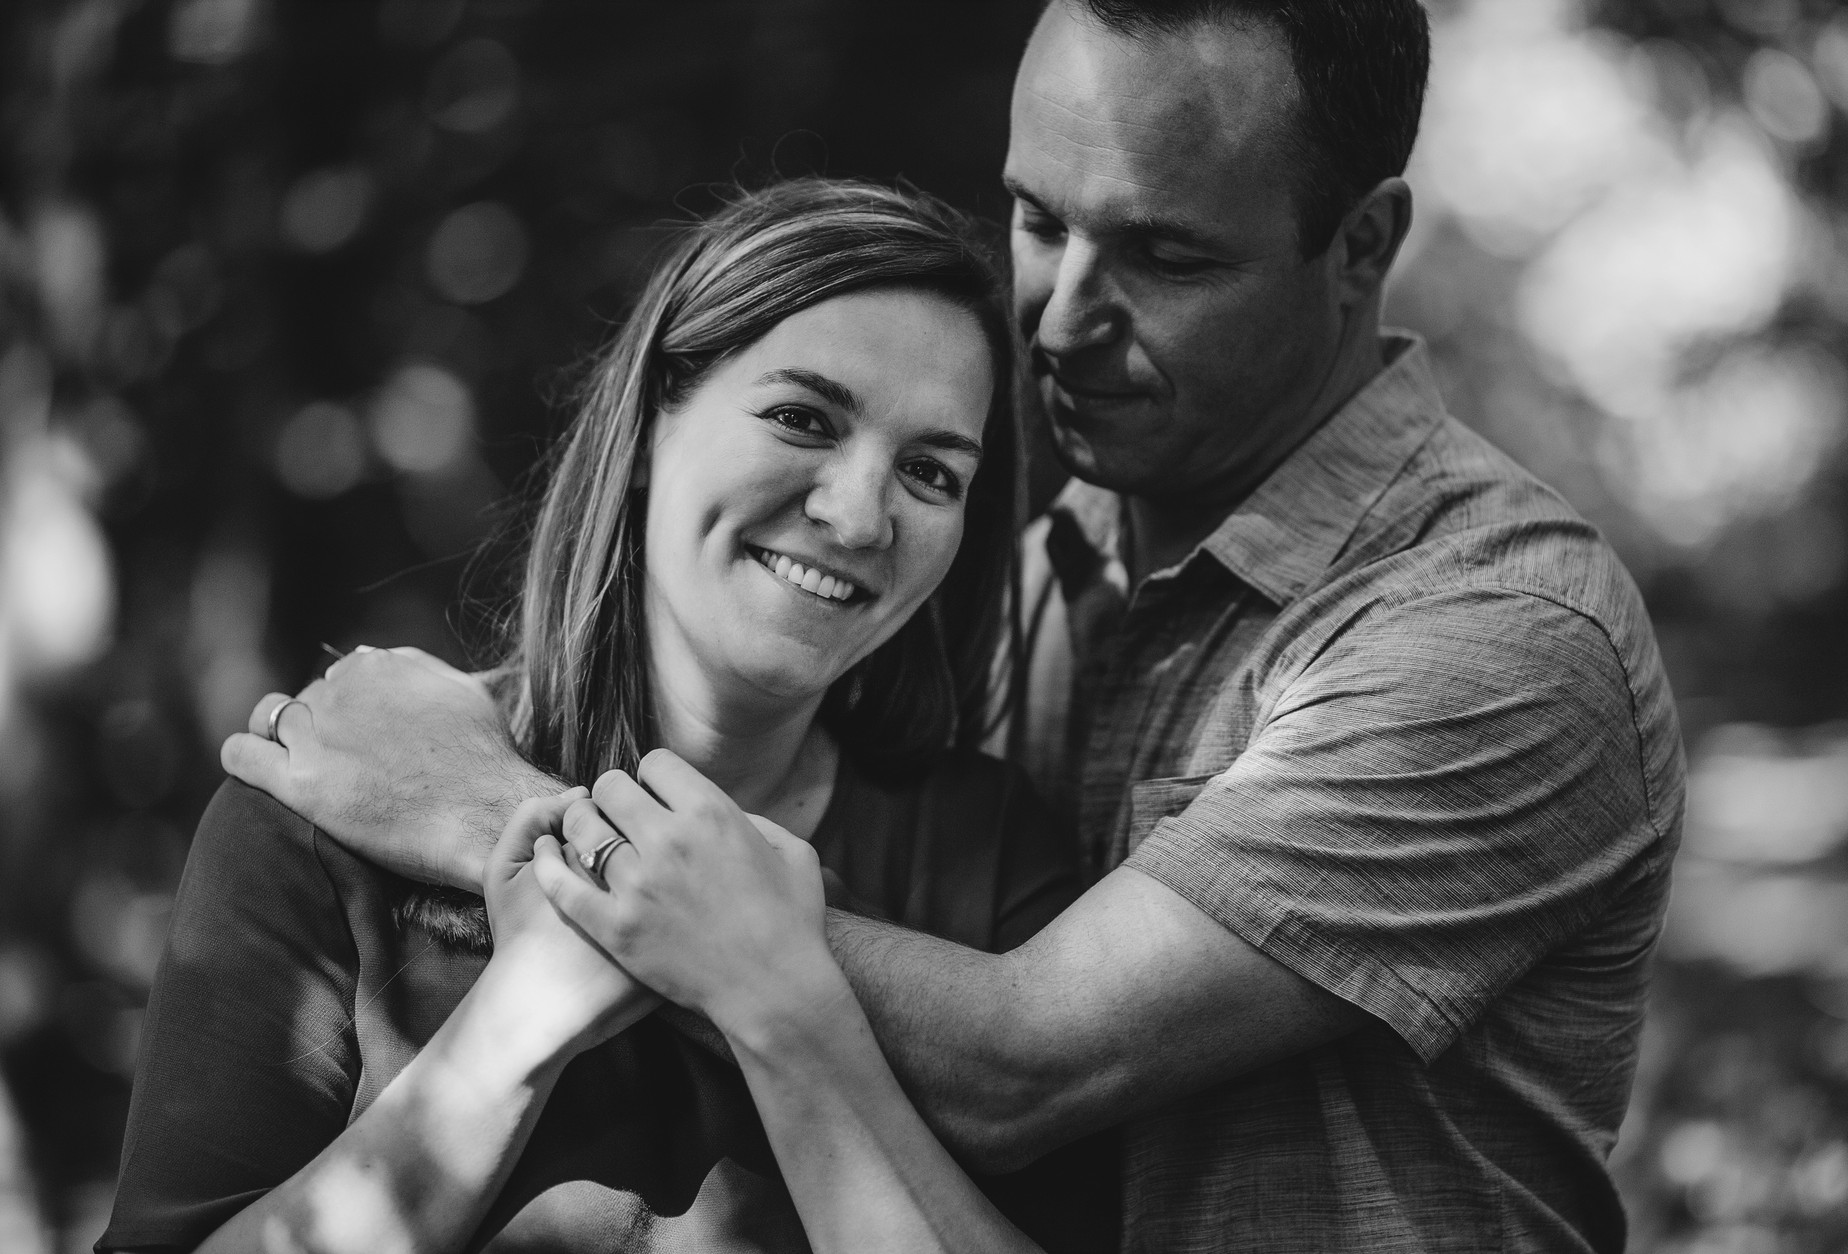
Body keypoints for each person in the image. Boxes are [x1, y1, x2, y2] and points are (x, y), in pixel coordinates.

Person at [214, 1, 1687, 1250]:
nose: (1057, 318)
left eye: (1166, 257)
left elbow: (1023, 1061)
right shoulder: (1029, 579)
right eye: (1039, 220)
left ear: (1360, 247)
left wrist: (501, 816)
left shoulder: (1491, 631)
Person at [101, 179, 1117, 1254]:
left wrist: (776, 996)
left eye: (929, 472)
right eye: (800, 418)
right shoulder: (320, 809)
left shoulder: (988, 855)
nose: (859, 515)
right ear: (642, 433)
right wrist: (518, 1024)